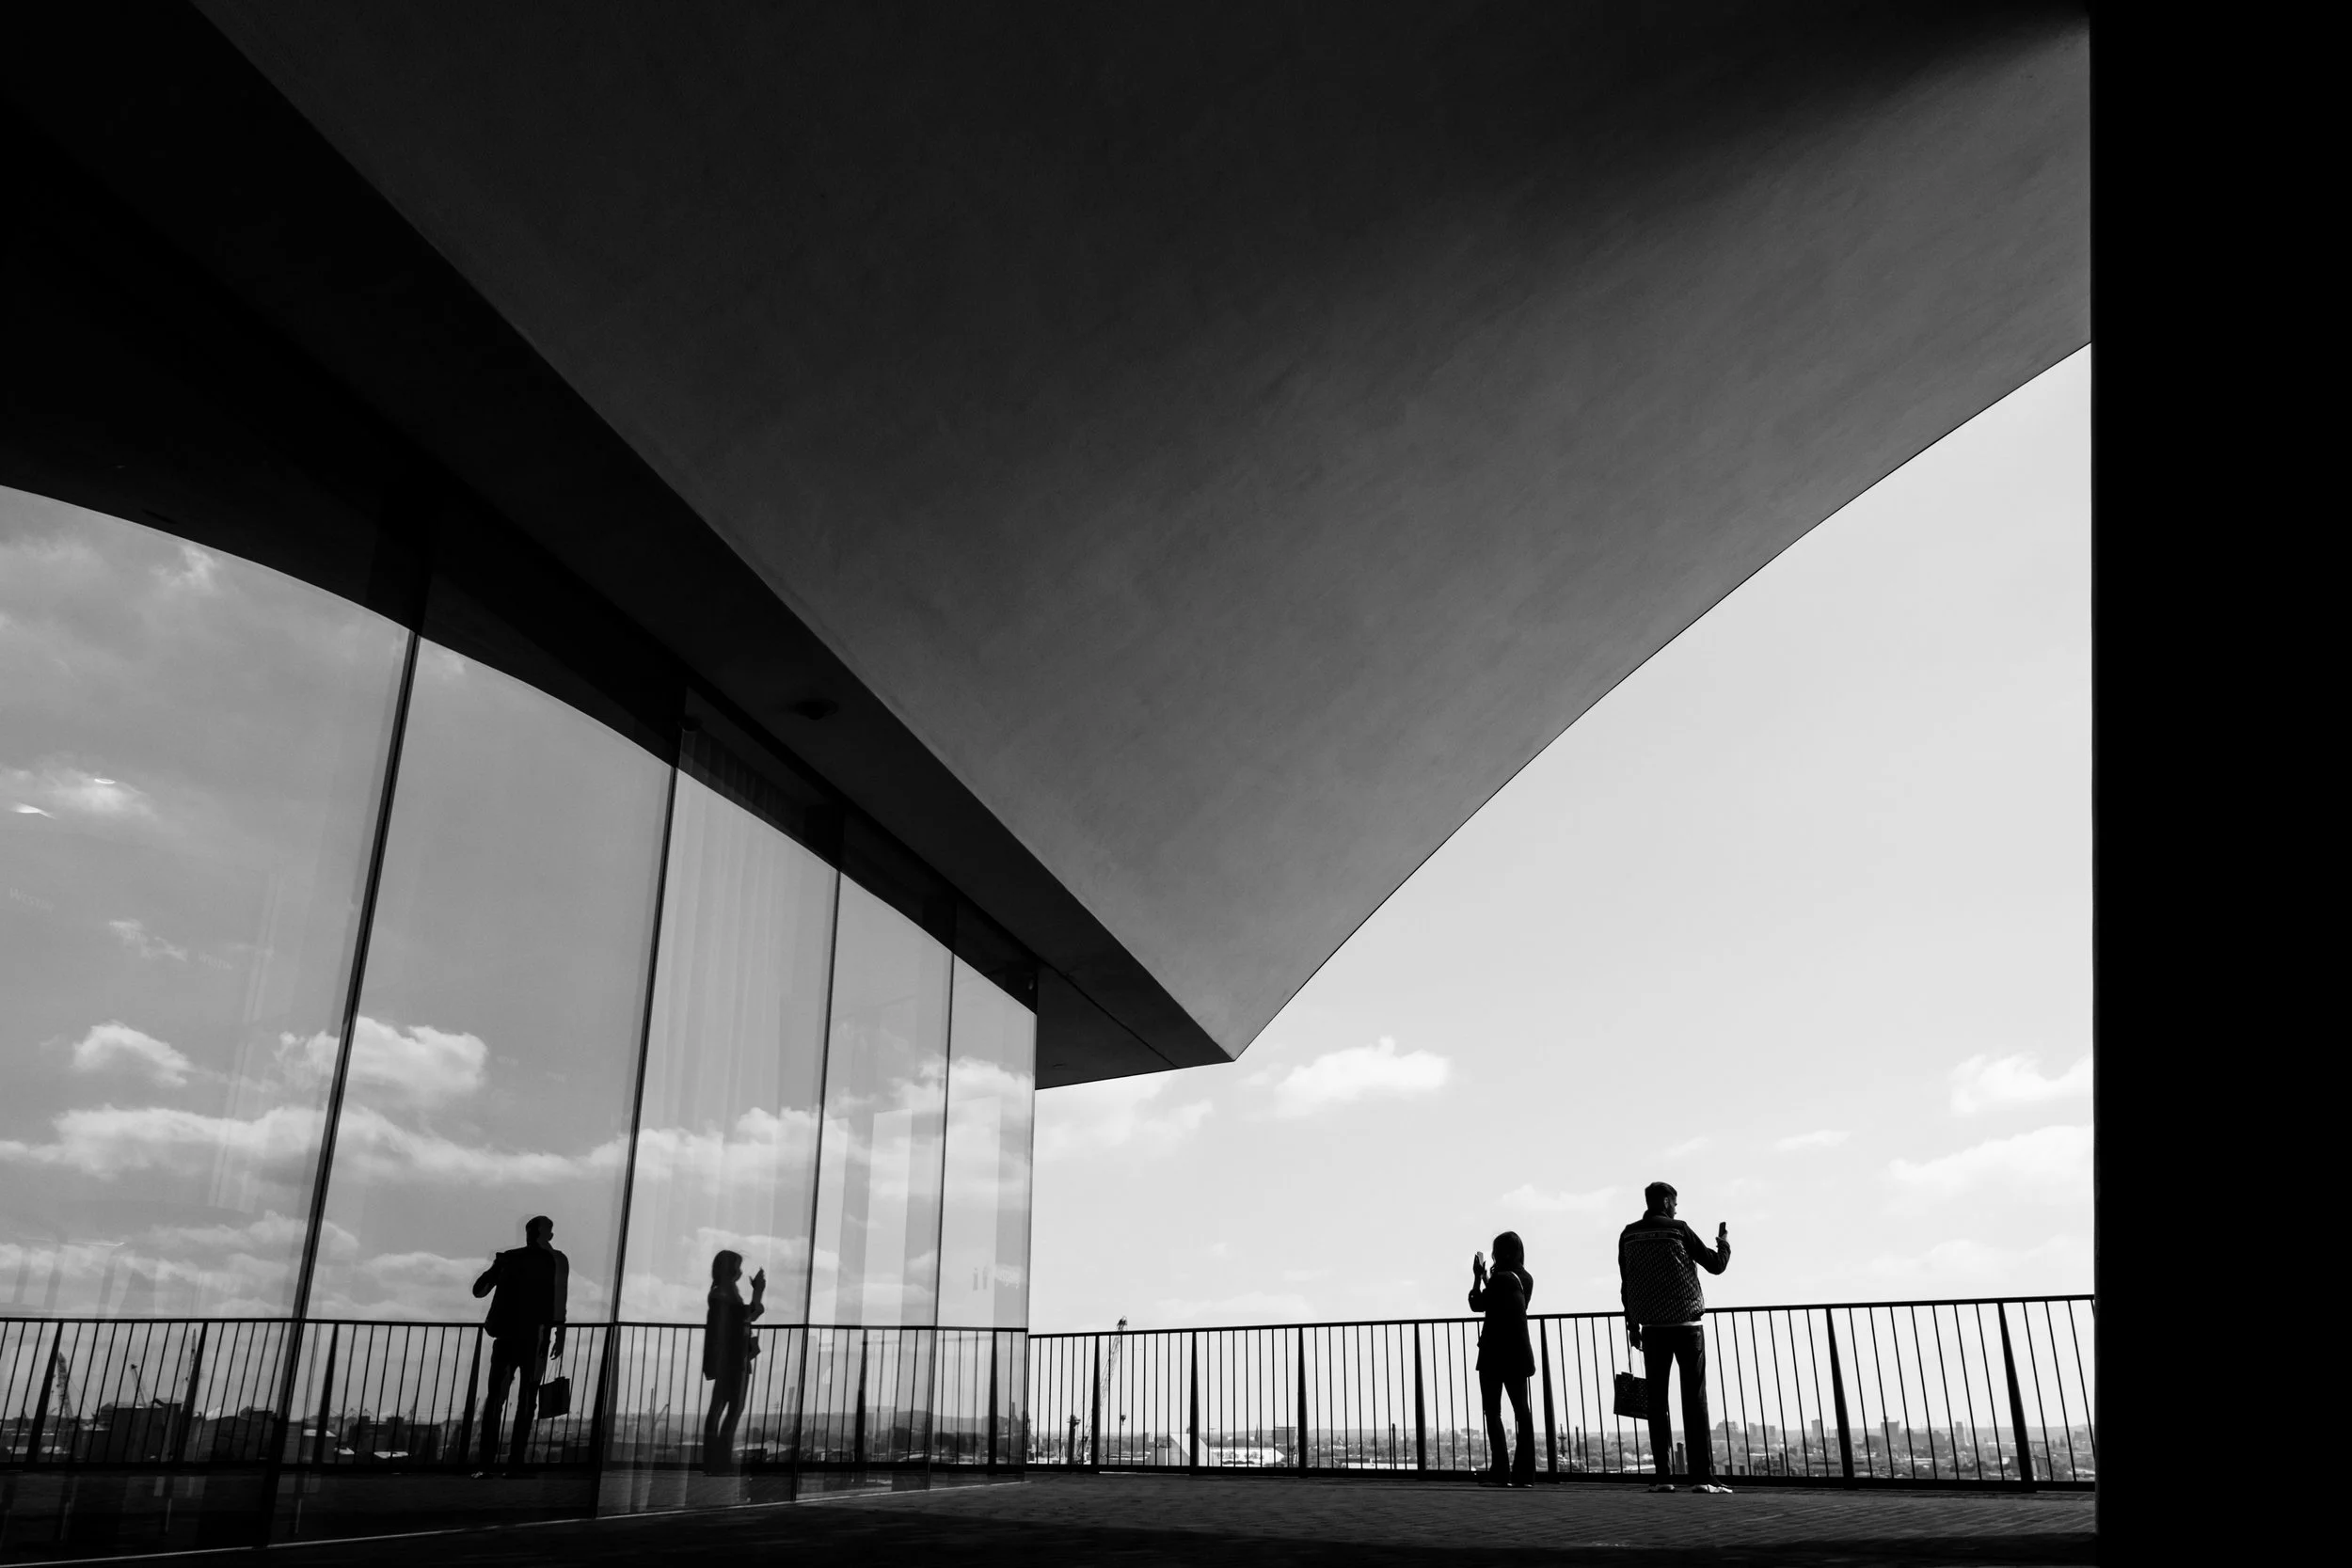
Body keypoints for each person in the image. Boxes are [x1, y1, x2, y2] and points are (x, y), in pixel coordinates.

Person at [1618, 1182, 1731, 1494]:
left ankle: (1663, 1476)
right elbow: (1715, 1265)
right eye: (1675, 1203)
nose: (1676, 1209)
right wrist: (1723, 1243)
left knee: (1656, 1403)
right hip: (1686, 1326)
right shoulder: (1679, 1229)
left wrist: (1633, 1325)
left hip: (1651, 1329)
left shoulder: (1628, 1234)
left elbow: (1626, 1283)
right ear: (1666, 1201)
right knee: (1694, 1400)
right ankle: (1702, 1478)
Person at [471, 1214, 569, 1476]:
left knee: (495, 1399)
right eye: (549, 1231)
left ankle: (486, 1463)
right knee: (527, 1400)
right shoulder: (555, 1260)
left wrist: (496, 1267)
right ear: (542, 1234)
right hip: (535, 1337)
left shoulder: (510, 1259)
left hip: (505, 1336)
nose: (551, 1236)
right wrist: (559, 1331)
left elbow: (479, 1291)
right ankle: (515, 1462)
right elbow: (559, 1297)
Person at [1468, 1230, 1536, 1488]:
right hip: (1519, 1353)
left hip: (1494, 1353)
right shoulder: (1525, 1278)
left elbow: (1478, 1304)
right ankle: (1525, 1474)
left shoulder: (1498, 1279)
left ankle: (1500, 1472)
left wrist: (1477, 1278)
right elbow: (1505, 1301)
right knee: (1522, 1412)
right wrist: (1489, 1279)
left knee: (1493, 1412)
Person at [701, 1249, 766, 1474]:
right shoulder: (724, 1295)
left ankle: (714, 1459)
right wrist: (758, 1292)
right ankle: (719, 1459)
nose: (739, 1271)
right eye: (737, 1266)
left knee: (720, 1408)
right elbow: (750, 1314)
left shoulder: (721, 1294)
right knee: (732, 1408)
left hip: (729, 1357)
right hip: (734, 1358)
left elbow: (746, 1315)